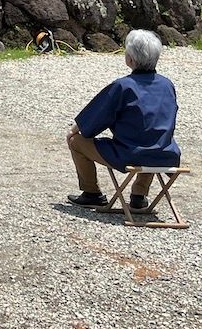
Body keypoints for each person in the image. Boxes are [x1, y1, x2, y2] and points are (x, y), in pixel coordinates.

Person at [66, 29, 181, 211]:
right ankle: (139, 195)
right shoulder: (167, 85)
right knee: (152, 137)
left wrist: (75, 129)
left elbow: (97, 115)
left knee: (76, 141)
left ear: (130, 59)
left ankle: (92, 193)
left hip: (131, 154)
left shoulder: (123, 86)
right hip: (165, 155)